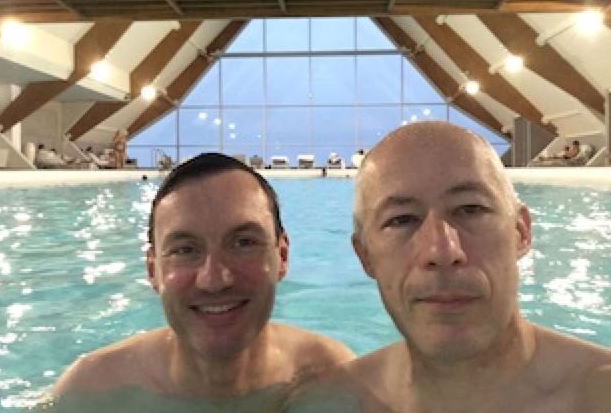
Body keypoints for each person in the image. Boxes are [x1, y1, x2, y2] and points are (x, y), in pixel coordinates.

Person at [285, 121, 610, 412]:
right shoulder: (328, 404)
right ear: (365, 256)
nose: (442, 251)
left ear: (520, 232)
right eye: (401, 220)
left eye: (470, 209)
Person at [49, 153, 355, 411]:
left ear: (282, 256)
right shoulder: (90, 393)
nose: (214, 280)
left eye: (244, 243)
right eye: (185, 250)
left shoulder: (332, 379)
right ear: (153, 270)